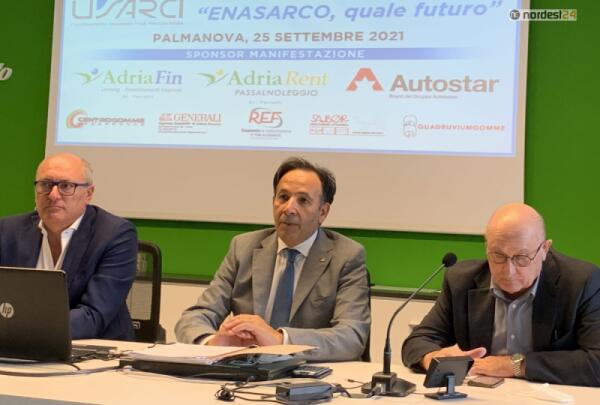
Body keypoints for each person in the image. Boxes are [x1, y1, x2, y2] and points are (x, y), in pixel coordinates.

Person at [175, 157, 370, 361]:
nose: (288, 209)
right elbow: (195, 317)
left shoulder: (346, 256)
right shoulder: (243, 248)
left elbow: (351, 337)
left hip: (308, 372)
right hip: (247, 369)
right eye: (283, 197)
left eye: (303, 201)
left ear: (323, 212)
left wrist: (280, 339)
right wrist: (212, 343)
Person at [402, 203, 600, 386]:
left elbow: (596, 362)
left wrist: (515, 365)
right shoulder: (461, 281)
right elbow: (417, 342)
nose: (508, 271)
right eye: (498, 256)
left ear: (544, 250)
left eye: (521, 258)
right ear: (486, 248)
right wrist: (432, 357)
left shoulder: (580, 283)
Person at [0, 153, 137, 340]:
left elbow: (93, 315)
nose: (53, 195)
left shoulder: (114, 234)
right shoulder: (8, 230)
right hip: (15, 345)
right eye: (45, 185)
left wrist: (26, 330)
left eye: (66, 186)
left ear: (88, 194)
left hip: (95, 347)